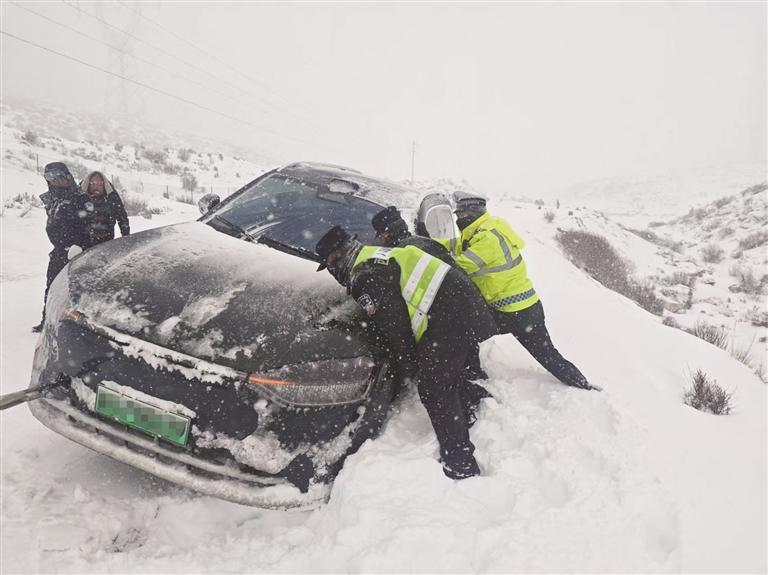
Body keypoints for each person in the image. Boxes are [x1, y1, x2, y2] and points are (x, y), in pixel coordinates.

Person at [315, 225, 496, 480]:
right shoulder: (375, 254)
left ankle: (460, 462)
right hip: (464, 305)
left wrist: (410, 366)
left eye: (329, 265)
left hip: (451, 317)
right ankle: (470, 401)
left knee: (433, 389)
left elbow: (396, 328)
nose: (332, 272)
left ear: (337, 258)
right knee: (446, 372)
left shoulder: (363, 276)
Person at [448, 191, 597, 391]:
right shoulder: (490, 228)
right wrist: (435, 244)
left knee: (463, 331)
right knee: (548, 355)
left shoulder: (487, 240)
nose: (459, 218)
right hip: (529, 307)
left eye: (462, 214)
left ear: (473, 213)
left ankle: (472, 373)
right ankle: (582, 385)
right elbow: (457, 246)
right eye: (458, 215)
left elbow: (458, 266)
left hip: (509, 313)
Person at [33, 162, 87, 333]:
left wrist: (79, 245)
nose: (55, 180)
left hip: (77, 252)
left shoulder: (80, 197)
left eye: (59, 176)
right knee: (51, 287)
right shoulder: (52, 198)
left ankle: (78, 325)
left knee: (75, 289)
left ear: (67, 176)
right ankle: (47, 320)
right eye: (50, 177)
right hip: (58, 251)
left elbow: (89, 225)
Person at [371, 206, 454, 265]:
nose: (379, 239)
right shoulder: (417, 243)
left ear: (386, 233)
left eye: (379, 235)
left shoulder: (403, 252)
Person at [80, 171, 130, 248]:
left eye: (100, 184)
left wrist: (126, 238)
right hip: (84, 244)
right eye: (93, 184)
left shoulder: (112, 198)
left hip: (107, 243)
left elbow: (122, 218)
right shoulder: (80, 198)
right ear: (88, 185)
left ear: (104, 185)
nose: (96, 187)